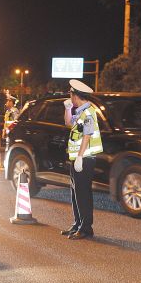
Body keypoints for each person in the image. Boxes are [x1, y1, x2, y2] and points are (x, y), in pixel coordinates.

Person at [61, 79, 103, 240]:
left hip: (85, 158)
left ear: (75, 95)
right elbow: (67, 123)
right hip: (77, 158)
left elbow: (87, 134)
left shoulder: (88, 112)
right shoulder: (79, 111)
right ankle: (78, 223)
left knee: (83, 193)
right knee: (76, 193)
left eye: (70, 95)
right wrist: (68, 108)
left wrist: (79, 157)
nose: (69, 97)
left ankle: (86, 228)